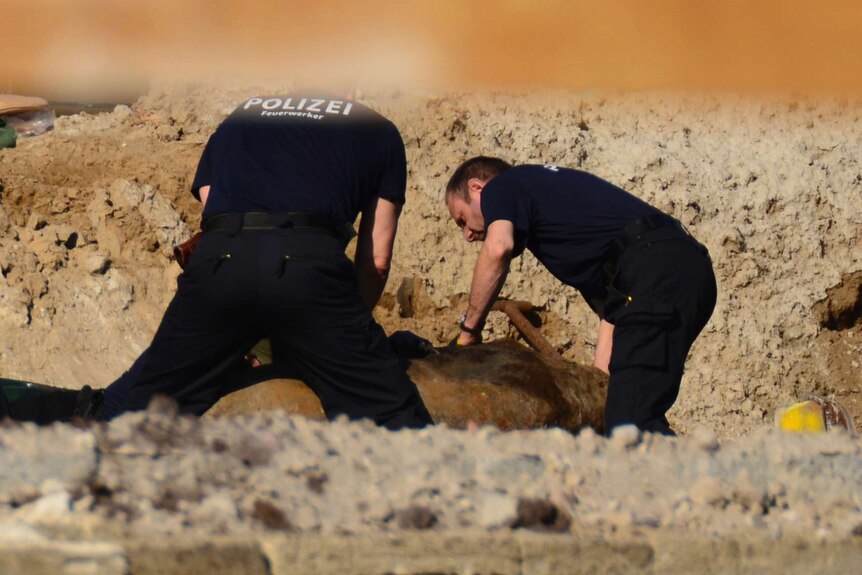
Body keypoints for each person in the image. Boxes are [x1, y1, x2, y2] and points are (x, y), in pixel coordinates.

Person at [94, 93, 432, 429]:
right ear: (351, 88)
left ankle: (98, 437)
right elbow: (377, 258)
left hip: (221, 260)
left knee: (146, 409)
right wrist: (345, 331)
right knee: (394, 418)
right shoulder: (377, 128)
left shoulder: (245, 113)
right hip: (308, 265)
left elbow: (211, 206)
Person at [444, 157, 716, 435]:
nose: (467, 235)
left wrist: (469, 332)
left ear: (477, 188)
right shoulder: (563, 215)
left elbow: (498, 248)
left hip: (658, 270)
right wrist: (600, 388)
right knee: (622, 417)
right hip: (679, 273)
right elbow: (612, 312)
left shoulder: (502, 186)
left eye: (462, 219)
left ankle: (708, 477)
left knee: (632, 425)